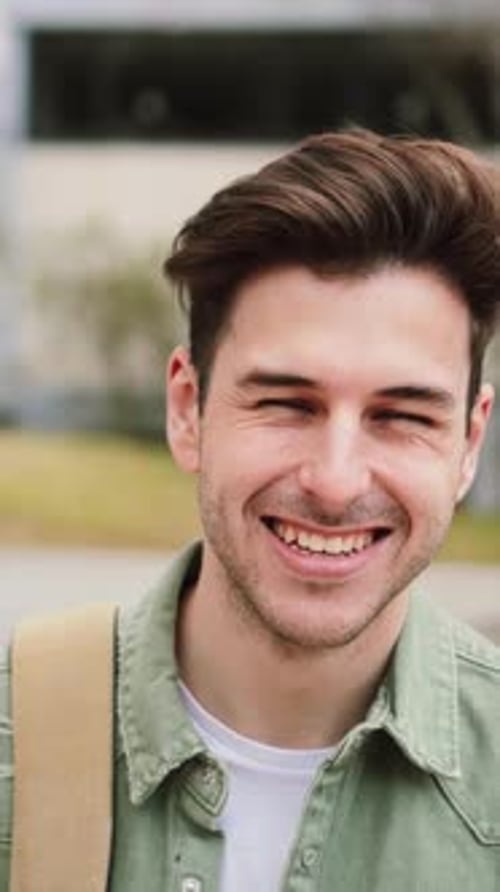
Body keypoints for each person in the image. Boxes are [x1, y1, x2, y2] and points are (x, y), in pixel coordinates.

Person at [1, 128, 500, 891]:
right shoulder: (15, 741)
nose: (335, 483)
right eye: (286, 403)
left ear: (468, 442)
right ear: (187, 408)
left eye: (402, 415)